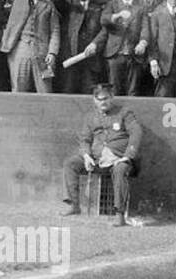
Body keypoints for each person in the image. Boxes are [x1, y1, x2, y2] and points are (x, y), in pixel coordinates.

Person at [62, 83, 144, 226]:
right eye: (99, 99)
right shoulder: (90, 117)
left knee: (120, 170)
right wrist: (87, 156)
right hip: (97, 159)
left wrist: (128, 155)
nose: (103, 102)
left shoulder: (124, 113)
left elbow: (136, 132)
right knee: (71, 163)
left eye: (105, 98)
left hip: (119, 159)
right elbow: (84, 139)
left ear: (112, 97)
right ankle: (74, 205)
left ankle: (120, 215)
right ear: (94, 100)